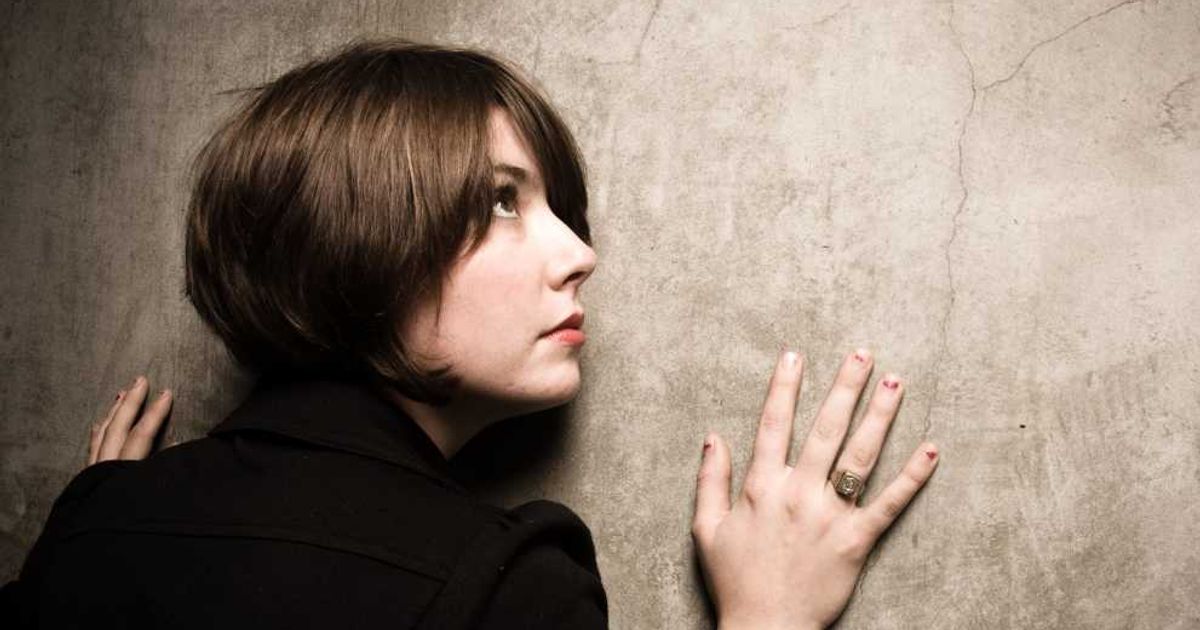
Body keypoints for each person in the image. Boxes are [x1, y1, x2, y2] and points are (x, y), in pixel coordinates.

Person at [2, 40, 939, 628]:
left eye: (556, 207)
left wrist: (99, 522)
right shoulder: (505, 586)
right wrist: (767, 616)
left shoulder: (94, 526)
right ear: (357, 236)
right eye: (501, 202)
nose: (581, 253)